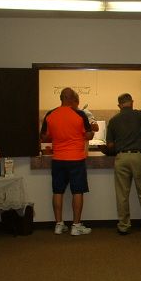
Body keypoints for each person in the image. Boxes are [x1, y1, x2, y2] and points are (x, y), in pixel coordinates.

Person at [40, 87, 94, 236]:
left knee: (57, 191)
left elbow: (43, 137)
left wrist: (56, 136)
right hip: (76, 159)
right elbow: (89, 135)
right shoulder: (80, 114)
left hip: (58, 159)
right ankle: (76, 226)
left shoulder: (50, 114)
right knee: (77, 191)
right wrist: (88, 133)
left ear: (61, 98)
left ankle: (59, 225)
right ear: (73, 99)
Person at [106, 93, 141, 235]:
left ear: (119, 105)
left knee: (122, 194)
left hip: (122, 158)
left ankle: (123, 226)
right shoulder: (140, 115)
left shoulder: (113, 120)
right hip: (139, 157)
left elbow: (110, 145)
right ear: (132, 102)